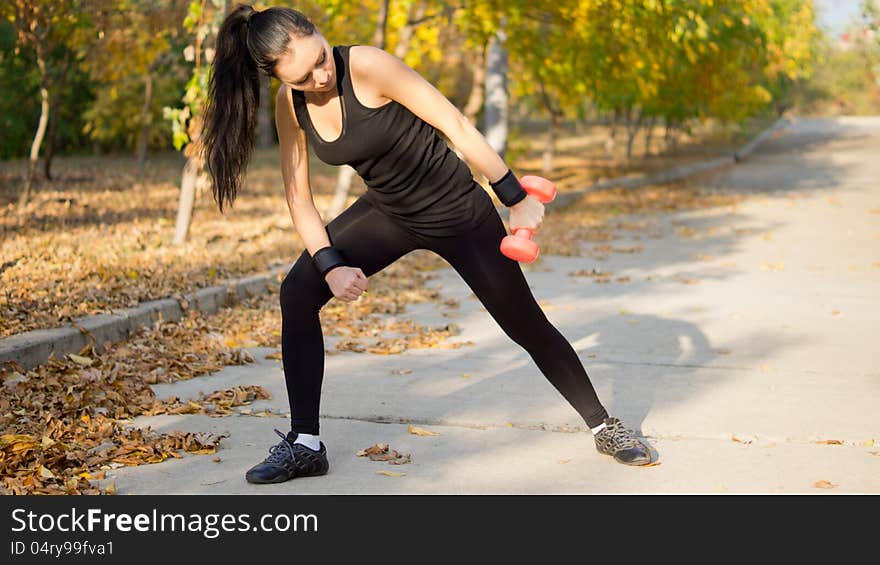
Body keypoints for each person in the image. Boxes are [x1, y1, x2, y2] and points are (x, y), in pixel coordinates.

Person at [200, 4, 654, 485]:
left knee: (525, 323)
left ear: (318, 32)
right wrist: (330, 264)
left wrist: (514, 197)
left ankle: (605, 426)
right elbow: (298, 197)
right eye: (304, 75)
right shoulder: (290, 105)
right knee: (297, 290)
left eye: (319, 58)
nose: (320, 75)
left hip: (457, 209)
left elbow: (455, 123)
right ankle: (306, 443)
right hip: (390, 213)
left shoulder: (367, 65)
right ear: (278, 78)